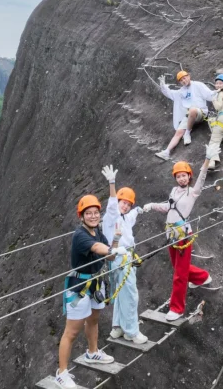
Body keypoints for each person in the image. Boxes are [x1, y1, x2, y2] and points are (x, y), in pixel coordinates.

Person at [54, 192, 117, 384]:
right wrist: (112, 250)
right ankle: (61, 374)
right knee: (72, 332)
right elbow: (99, 248)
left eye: (96, 212)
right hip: (79, 287)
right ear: (81, 216)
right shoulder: (80, 236)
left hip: (96, 282)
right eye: (88, 213)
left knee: (94, 320)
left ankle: (92, 352)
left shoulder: (97, 231)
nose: (93, 216)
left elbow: (110, 256)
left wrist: (117, 242)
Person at [143, 159, 214, 322]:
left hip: (183, 236)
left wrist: (206, 162)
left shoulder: (192, 192)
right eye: (179, 176)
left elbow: (202, 178)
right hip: (171, 234)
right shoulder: (174, 191)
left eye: (184, 175)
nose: (182, 179)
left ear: (189, 176)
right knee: (177, 266)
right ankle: (202, 277)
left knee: (179, 274)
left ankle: (177, 308)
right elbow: (168, 207)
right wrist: (152, 205)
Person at [99, 165, 151, 346]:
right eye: (124, 202)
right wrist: (112, 183)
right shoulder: (111, 217)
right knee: (130, 293)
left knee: (120, 292)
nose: (126, 206)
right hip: (120, 257)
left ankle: (118, 327)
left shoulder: (125, 217)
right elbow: (113, 203)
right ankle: (131, 332)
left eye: (129, 204)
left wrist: (141, 209)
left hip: (122, 257)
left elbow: (132, 215)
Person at [156, 68, 215, 158]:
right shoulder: (182, 91)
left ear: (188, 76)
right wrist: (163, 87)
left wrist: (218, 93)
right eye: (181, 80)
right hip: (189, 115)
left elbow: (209, 94)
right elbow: (171, 94)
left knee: (192, 110)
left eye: (184, 78)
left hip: (201, 112)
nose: (183, 81)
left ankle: (187, 132)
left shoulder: (198, 85)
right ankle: (166, 152)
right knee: (178, 132)